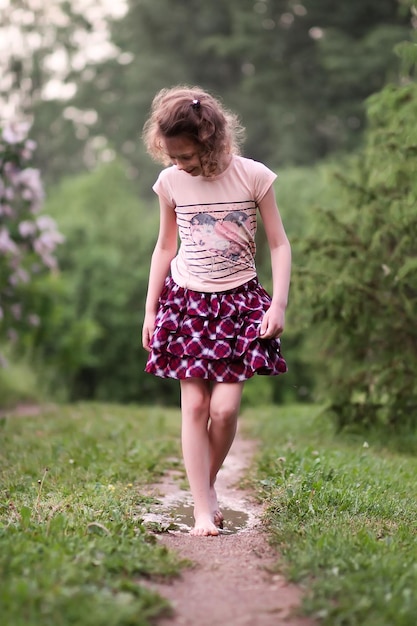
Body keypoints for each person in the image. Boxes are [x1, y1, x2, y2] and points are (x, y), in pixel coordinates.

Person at [142, 86, 291, 537]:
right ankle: (203, 511)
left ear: (209, 143)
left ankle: (203, 486)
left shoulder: (254, 177)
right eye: (172, 156)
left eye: (186, 156)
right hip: (187, 300)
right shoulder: (170, 183)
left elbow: (279, 244)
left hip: (238, 303)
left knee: (224, 410)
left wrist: (279, 302)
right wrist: (150, 310)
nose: (178, 164)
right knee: (195, 405)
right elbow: (166, 245)